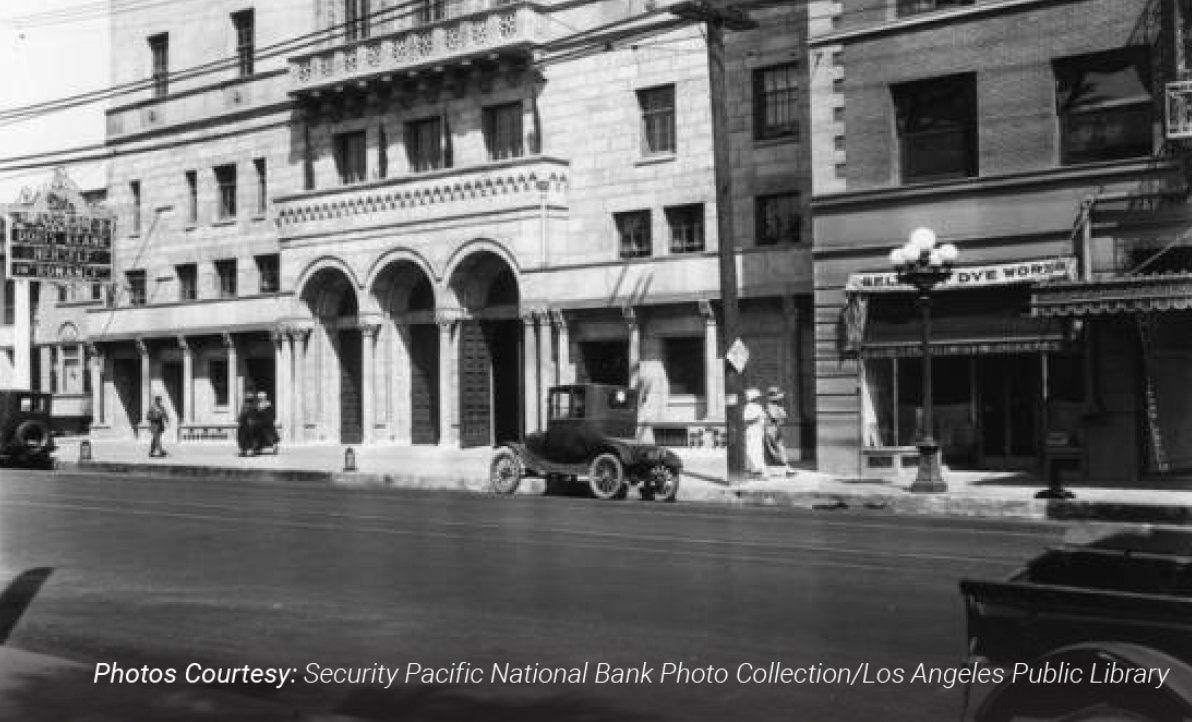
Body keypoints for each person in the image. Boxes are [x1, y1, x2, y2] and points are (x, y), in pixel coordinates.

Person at [764, 386, 795, 475]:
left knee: (777, 448)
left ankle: (785, 468)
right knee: (777, 448)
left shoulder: (776, 406)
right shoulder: (771, 407)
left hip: (775, 428)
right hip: (772, 428)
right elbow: (776, 418)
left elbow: (783, 417)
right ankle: (786, 468)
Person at [742, 388, 766, 477]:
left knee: (758, 450)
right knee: (751, 450)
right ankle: (754, 469)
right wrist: (756, 419)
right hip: (751, 431)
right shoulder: (748, 407)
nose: (758, 399)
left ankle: (758, 469)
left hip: (758, 431)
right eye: (757, 397)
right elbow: (746, 419)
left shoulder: (758, 406)